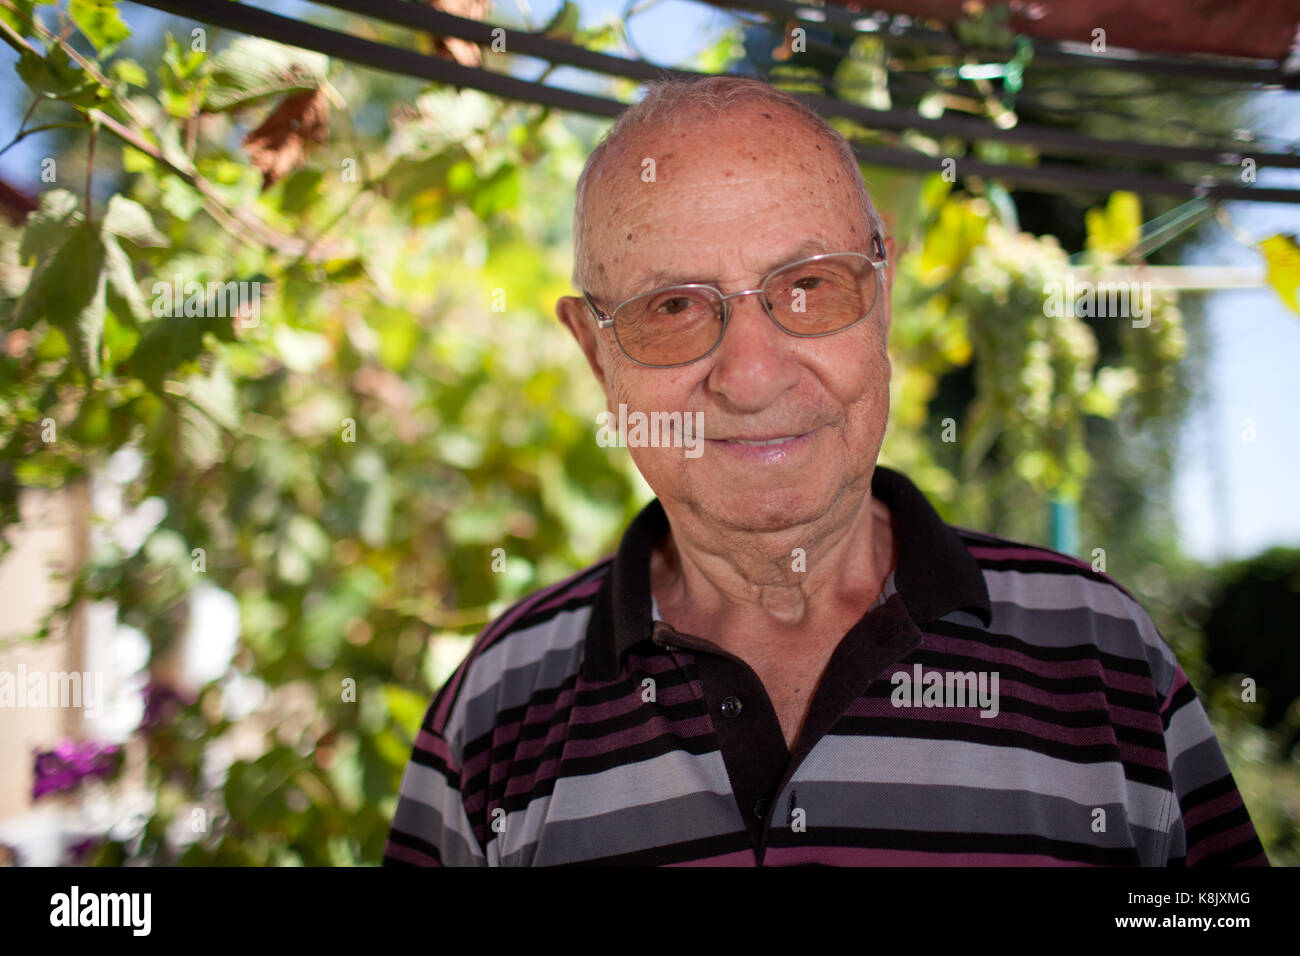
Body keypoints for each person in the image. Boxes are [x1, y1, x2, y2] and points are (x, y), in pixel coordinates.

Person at [383, 76, 1268, 866]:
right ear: (593, 351)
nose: (753, 375)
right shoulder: (495, 711)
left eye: (809, 286)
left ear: (881, 296)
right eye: (674, 307)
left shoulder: (1102, 654)